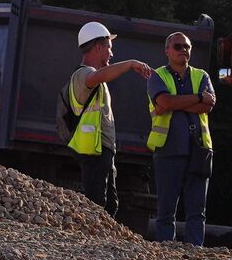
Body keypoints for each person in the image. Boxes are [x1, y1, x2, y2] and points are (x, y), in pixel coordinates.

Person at [66, 21, 153, 216]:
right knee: (98, 204)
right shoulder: (83, 75)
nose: (112, 54)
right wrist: (131, 64)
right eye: (109, 48)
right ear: (98, 47)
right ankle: (92, 243)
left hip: (102, 149)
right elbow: (96, 78)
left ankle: (102, 242)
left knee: (110, 205)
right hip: (93, 150)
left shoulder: (97, 77)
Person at [147, 31, 215, 246]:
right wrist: (196, 98)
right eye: (178, 46)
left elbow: (209, 104)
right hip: (168, 149)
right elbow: (165, 102)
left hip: (199, 149)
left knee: (197, 210)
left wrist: (174, 103)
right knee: (166, 210)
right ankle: (167, 253)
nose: (183, 50)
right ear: (167, 51)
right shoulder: (157, 76)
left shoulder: (201, 75)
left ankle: (195, 253)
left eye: (186, 46)